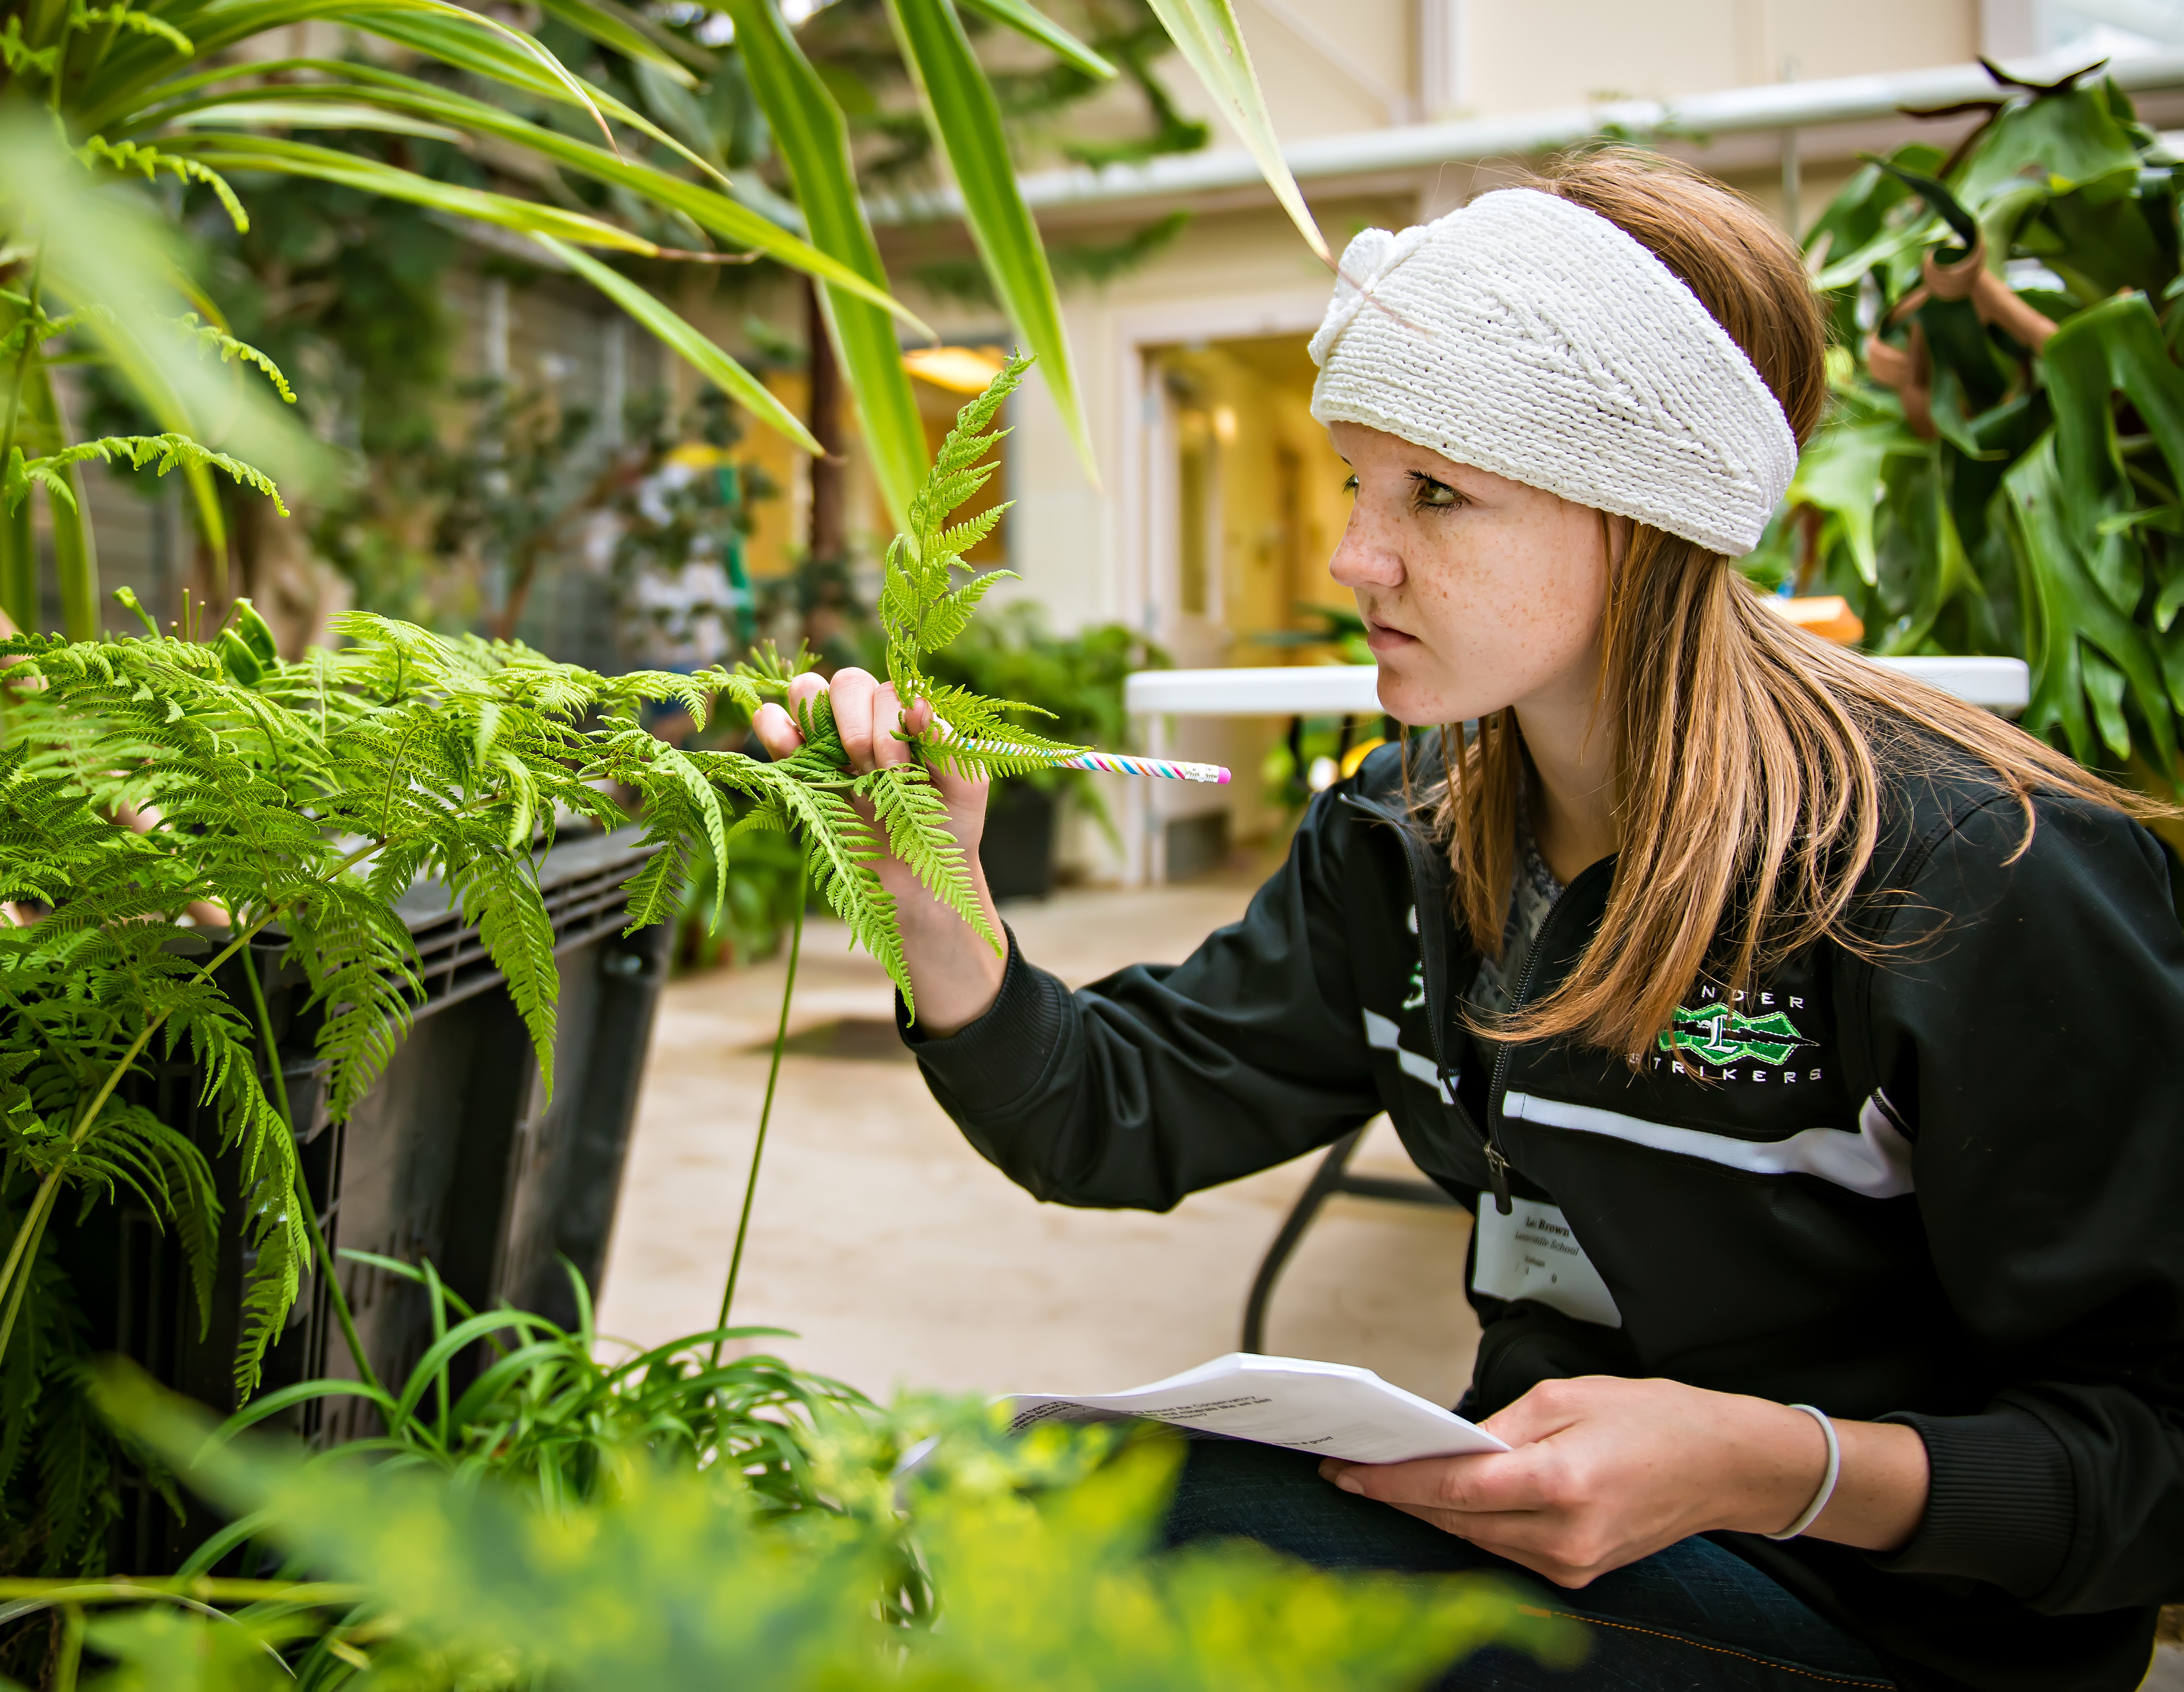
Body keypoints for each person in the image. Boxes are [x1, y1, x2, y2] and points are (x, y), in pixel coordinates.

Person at [750, 150, 2184, 1692]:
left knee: (1125, 1527)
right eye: (1361, 483)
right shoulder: (1407, 836)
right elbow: (1116, 1111)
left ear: (1648, 515)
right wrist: (941, 915)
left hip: (1885, 1630)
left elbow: (2153, 1454)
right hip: (1557, 1558)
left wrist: (1769, 1465)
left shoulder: (1970, 873)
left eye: (1439, 494)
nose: (1355, 557)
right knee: (1002, 1492)